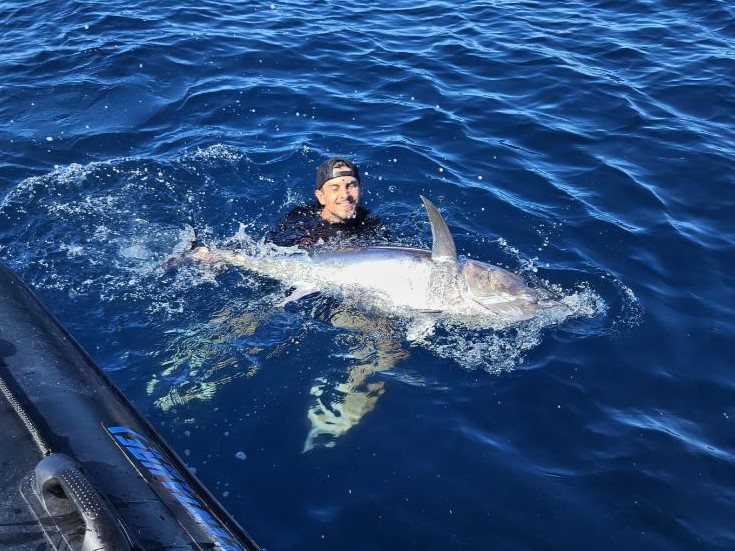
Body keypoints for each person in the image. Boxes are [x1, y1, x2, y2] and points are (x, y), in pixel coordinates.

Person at [267, 157, 390, 249]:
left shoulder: (372, 224)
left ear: (361, 190)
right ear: (321, 197)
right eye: (335, 188)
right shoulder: (300, 219)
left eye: (351, 186)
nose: (345, 195)